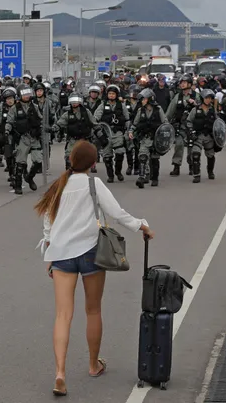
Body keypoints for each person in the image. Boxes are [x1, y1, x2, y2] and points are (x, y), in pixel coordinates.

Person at [34, 140, 154, 397]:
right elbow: (117, 213)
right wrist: (141, 226)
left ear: (71, 161)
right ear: (93, 163)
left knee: (62, 315)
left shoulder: (59, 185)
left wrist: (49, 251)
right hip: (90, 252)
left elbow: (48, 221)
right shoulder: (93, 184)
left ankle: (60, 372)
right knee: (93, 309)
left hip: (61, 255)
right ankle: (92, 364)